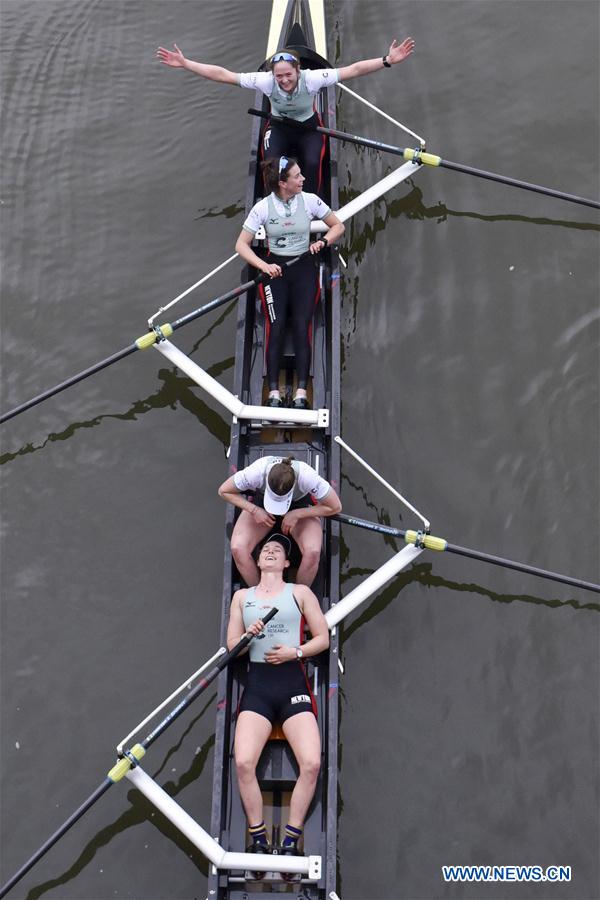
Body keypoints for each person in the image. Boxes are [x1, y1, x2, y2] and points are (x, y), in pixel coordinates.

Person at [156, 37, 415, 193]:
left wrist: (387, 60)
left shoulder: (313, 79)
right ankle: (275, 203)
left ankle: (311, 201)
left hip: (309, 128)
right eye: (278, 76)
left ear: (298, 71)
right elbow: (224, 75)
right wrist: (186, 63)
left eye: (288, 75)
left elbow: (353, 69)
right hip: (278, 127)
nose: (283, 81)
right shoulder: (265, 81)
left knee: (312, 164)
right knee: (271, 166)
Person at [227, 534, 329, 878]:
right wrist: (247, 638)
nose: (270, 551)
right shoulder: (242, 597)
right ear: (257, 563)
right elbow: (232, 649)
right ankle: (257, 838)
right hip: (257, 688)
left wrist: (294, 652)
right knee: (243, 763)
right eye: (265, 550)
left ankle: (290, 839)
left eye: (278, 551)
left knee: (312, 763)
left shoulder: (300, 593)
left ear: (286, 564)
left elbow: (322, 639)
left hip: (292, 685)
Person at [235, 156, 344, 410]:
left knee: (301, 324)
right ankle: (272, 392)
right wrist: (264, 266)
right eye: (297, 176)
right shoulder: (262, 208)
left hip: (304, 269)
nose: (303, 179)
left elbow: (338, 226)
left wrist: (323, 241)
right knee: (276, 324)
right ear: (283, 183)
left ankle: (301, 392)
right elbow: (241, 244)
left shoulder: (310, 201)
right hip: (275, 272)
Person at [218, 454, 341, 588]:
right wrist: (254, 510)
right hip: (262, 507)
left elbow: (335, 506)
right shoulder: (256, 472)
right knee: (238, 549)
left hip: (298, 506)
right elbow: (224, 491)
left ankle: (298, 598)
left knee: (313, 553)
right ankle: (259, 592)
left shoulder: (308, 477)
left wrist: (298, 514)